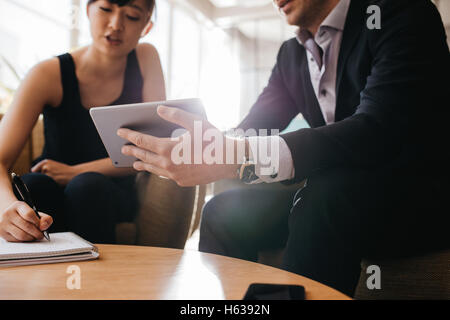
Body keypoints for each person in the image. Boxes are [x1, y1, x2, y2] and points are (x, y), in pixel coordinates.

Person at [117, 0, 449, 297]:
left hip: (414, 195)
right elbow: (252, 127)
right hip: (338, 197)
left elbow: (377, 130)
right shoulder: (291, 55)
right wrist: (205, 144)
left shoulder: (400, 13)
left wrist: (240, 155)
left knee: (325, 196)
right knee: (222, 211)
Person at [0, 0, 165, 244]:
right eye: (106, 9)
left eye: (131, 16)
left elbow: (154, 148)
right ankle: (45, 276)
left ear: (146, 27)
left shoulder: (145, 57)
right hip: (49, 184)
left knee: (87, 186)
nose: (116, 24)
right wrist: (7, 207)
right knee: (34, 185)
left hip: (109, 191)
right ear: (88, 11)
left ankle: (94, 280)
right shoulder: (47, 74)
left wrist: (74, 172)